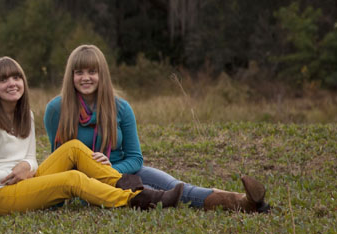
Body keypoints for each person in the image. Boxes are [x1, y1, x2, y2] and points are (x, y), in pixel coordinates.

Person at [43, 44, 270, 212]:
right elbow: (60, 161)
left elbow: (135, 158)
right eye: (79, 72)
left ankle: (244, 201)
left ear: (102, 74)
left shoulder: (120, 108)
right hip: (90, 184)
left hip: (126, 171)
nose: (86, 78)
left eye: (92, 72)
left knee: (178, 189)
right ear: (70, 75)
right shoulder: (56, 109)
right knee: (162, 196)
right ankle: (243, 202)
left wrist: (111, 165)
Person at [0, 57, 182, 213]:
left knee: (73, 147)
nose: (11, 84)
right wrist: (10, 176)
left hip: (22, 182)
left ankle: (131, 186)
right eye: (3, 80)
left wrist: (26, 167)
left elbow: (31, 159)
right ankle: (136, 200)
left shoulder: (27, 116)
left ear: (24, 81)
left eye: (16, 77)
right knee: (72, 179)